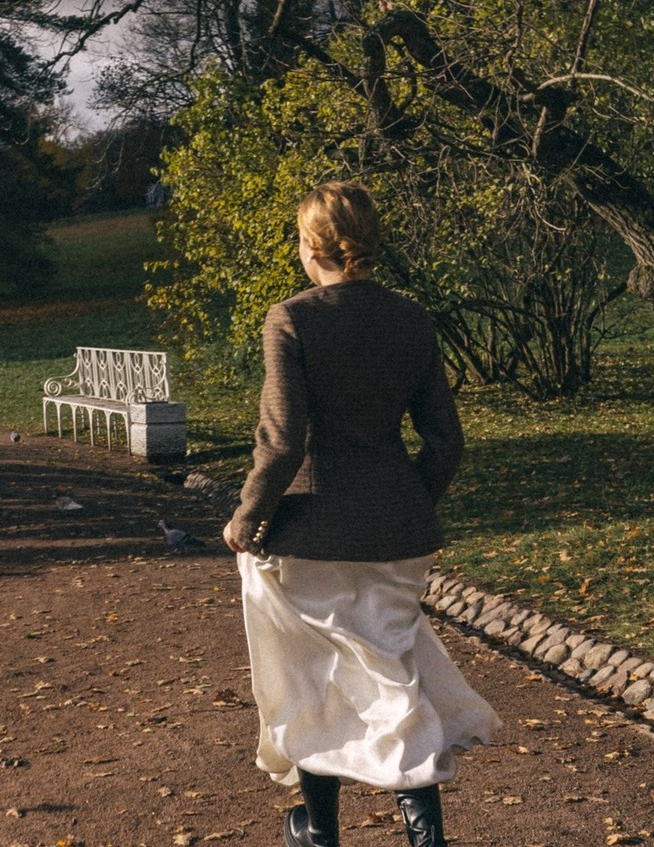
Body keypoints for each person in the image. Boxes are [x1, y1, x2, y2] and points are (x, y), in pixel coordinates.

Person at [223, 181, 500, 847]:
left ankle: (318, 833)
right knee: (392, 675)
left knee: (313, 681)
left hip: (312, 534)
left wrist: (246, 515)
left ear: (313, 245)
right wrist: (406, 504)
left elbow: (283, 440)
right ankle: (424, 836)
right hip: (399, 533)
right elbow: (446, 441)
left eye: (299, 237)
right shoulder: (413, 319)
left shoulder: (290, 319)